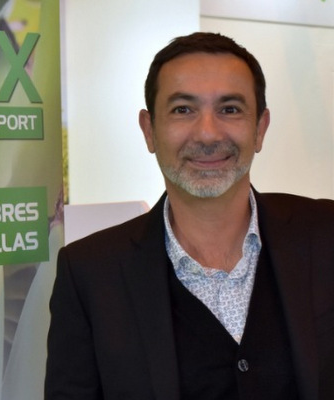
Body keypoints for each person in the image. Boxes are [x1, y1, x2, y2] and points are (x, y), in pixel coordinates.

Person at [45, 32, 334, 400]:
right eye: (183, 110)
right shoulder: (89, 273)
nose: (208, 134)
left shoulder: (325, 234)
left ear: (260, 128)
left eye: (230, 109)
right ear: (149, 131)